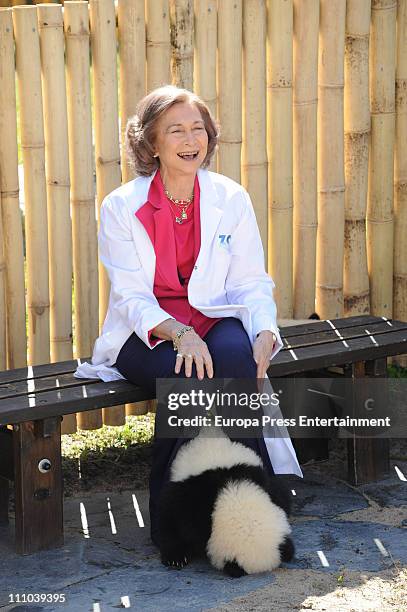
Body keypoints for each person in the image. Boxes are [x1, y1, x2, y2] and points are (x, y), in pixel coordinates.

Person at [75, 85, 302, 546]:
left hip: (214, 317)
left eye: (198, 128)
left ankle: (253, 512)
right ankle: (172, 524)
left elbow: (251, 281)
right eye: (175, 130)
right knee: (189, 377)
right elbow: (131, 297)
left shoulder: (230, 197)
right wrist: (179, 333)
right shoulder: (121, 206)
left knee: (240, 362)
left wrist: (264, 330)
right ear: (151, 143)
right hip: (148, 332)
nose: (190, 139)